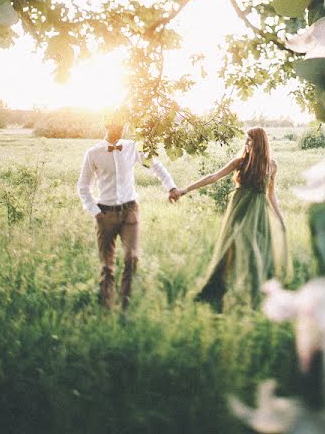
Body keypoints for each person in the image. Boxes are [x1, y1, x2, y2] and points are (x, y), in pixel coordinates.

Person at [177, 127, 291, 308]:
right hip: (238, 213)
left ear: (260, 143)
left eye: (250, 140)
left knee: (255, 254)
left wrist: (280, 218)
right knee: (237, 253)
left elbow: (271, 194)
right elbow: (213, 177)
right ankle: (216, 293)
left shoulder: (272, 165)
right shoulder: (240, 162)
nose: (246, 143)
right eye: (246, 140)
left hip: (258, 216)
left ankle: (255, 298)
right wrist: (185, 190)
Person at [76, 120, 180, 309]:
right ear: (106, 125)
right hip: (105, 213)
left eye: (123, 124)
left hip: (130, 211)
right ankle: (106, 307)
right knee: (107, 266)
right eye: (116, 124)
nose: (120, 128)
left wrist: (171, 187)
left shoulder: (133, 147)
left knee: (131, 258)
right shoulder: (93, 153)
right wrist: (95, 212)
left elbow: (156, 165)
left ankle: (125, 306)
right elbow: (83, 186)